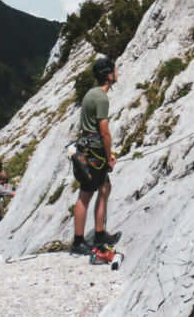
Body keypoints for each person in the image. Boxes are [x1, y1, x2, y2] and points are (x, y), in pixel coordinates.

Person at [71, 56, 120, 255]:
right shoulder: (101, 98)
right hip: (95, 152)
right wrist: (109, 157)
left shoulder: (92, 93)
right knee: (86, 194)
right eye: (115, 70)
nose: (117, 73)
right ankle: (78, 241)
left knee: (105, 188)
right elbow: (104, 131)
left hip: (88, 149)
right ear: (109, 75)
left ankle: (99, 234)